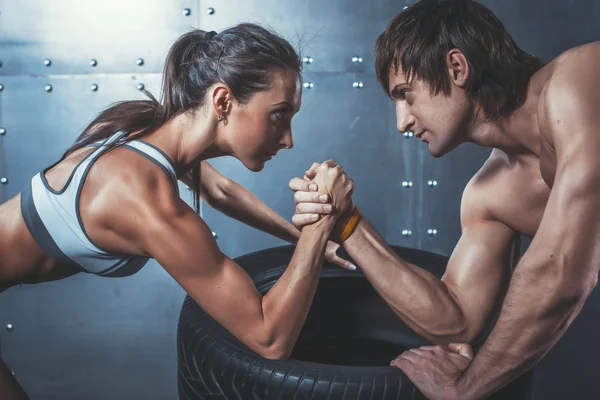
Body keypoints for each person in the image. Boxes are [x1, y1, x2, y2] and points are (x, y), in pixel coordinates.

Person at [0, 24, 355, 399]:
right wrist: (319, 225)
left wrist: (300, 236)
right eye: (279, 115)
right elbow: (269, 339)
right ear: (222, 102)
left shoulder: (150, 132)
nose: (288, 139)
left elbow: (220, 191)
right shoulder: (145, 199)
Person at [289, 0, 600, 398]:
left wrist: (465, 389)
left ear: (456, 68)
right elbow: (456, 320)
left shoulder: (581, 79)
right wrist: (346, 221)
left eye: (406, 94)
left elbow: (562, 272)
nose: (401, 121)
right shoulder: (490, 195)